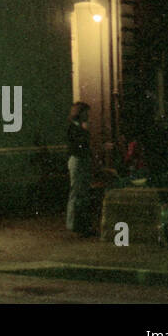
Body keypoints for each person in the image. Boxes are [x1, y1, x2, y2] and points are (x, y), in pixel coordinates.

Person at [66, 101, 93, 235]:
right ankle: (73, 224)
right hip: (77, 160)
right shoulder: (73, 128)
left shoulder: (76, 127)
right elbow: (78, 145)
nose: (88, 115)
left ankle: (79, 224)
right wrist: (85, 131)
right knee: (77, 191)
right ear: (80, 113)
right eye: (86, 112)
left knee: (81, 192)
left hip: (80, 160)